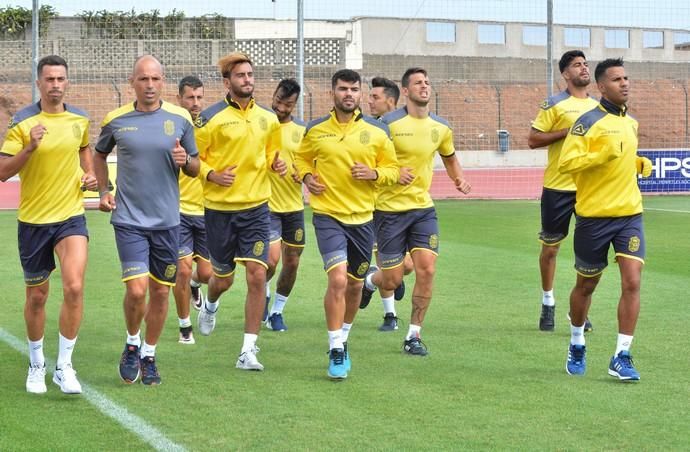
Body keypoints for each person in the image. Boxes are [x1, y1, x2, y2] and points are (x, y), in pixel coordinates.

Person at [94, 55, 200, 385]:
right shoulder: (116, 119)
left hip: (168, 222)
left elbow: (196, 165)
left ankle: (149, 354)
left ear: (163, 82)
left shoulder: (181, 118)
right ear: (132, 82)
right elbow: (98, 155)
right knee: (138, 291)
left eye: (155, 79)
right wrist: (103, 189)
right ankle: (131, 343)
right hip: (129, 220)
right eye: (143, 79)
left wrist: (186, 161)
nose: (149, 85)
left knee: (161, 292)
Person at [0, 55, 97, 394]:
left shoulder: (79, 119)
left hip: (70, 216)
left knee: (73, 287)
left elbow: (85, 149)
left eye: (61, 79)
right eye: (49, 79)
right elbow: (2, 172)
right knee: (38, 297)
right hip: (33, 223)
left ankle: (64, 366)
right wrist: (29, 149)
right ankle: (37, 363)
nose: (56, 84)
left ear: (66, 82)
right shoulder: (22, 122)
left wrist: (89, 175)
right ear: (39, 83)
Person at [360, 67, 471, 356]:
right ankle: (371, 282)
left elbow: (449, 156)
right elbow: (371, 163)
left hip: (423, 210)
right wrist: (394, 174)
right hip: (388, 211)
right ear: (405, 92)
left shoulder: (442, 127)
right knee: (393, 279)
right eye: (418, 83)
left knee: (427, 269)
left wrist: (458, 177)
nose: (425, 86)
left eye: (427, 82)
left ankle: (413, 335)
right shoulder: (387, 124)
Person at [294, 68, 398, 379]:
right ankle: (335, 347)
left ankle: (344, 336)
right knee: (338, 280)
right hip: (327, 216)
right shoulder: (315, 130)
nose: (348, 94)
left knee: (354, 285)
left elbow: (393, 169)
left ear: (361, 94)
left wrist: (375, 174)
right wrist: (308, 177)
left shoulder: (378, 132)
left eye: (354, 89)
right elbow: (301, 159)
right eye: (342, 89)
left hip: (364, 219)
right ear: (332, 93)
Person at [194, 52, 287, 371]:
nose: (247, 79)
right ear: (227, 82)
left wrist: (278, 163)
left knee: (258, 273)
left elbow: (273, 153)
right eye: (240, 75)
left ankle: (248, 350)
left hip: (257, 209)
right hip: (219, 212)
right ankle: (211, 303)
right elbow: (193, 160)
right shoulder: (209, 119)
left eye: (250, 74)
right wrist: (212, 175)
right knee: (222, 279)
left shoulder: (268, 119)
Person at [559, 58, 651, 381]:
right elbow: (567, 163)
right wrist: (600, 155)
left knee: (633, 281)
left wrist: (636, 162)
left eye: (626, 78)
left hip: (629, 215)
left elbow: (621, 155)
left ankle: (621, 355)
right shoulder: (587, 122)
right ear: (601, 86)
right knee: (586, 286)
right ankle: (577, 341)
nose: (624, 83)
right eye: (616, 79)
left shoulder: (632, 123)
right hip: (593, 218)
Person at [528, 50, 598, 333]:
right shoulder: (554, 104)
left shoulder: (598, 107)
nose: (583, 68)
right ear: (565, 74)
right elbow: (533, 139)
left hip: (589, 190)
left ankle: (577, 310)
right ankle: (548, 302)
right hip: (558, 187)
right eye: (576, 65)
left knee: (588, 255)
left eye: (585, 64)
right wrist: (567, 131)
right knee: (551, 249)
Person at [365, 76, 414, 332]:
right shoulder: (369, 129)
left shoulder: (406, 126)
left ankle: (370, 282)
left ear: (391, 101)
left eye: (375, 97)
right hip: (378, 207)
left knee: (407, 266)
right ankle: (390, 316)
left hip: (408, 207)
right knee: (387, 263)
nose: (369, 101)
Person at [172, 75, 212, 345]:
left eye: (199, 97)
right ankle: (184, 325)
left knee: (207, 274)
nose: (195, 103)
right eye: (190, 97)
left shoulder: (211, 126)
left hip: (208, 212)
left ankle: (196, 287)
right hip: (178, 212)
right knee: (183, 271)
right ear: (179, 99)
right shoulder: (171, 127)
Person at [263, 78, 306, 332]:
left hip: (294, 207)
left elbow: (311, 162)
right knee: (270, 260)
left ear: (295, 105)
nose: (281, 107)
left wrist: (305, 173)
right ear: (274, 96)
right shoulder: (262, 124)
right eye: (279, 100)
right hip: (266, 205)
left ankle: (277, 311)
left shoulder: (302, 131)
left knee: (292, 262)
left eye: (288, 104)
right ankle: (263, 293)